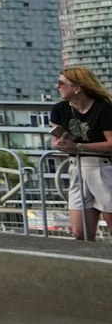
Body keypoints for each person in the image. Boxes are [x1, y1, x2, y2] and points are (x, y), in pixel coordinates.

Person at [51, 66, 112, 242]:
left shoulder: (104, 109)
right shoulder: (60, 109)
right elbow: (55, 141)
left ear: (77, 87)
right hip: (76, 168)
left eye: (62, 83)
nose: (58, 87)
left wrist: (78, 147)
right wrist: (61, 144)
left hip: (103, 167)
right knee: (80, 233)